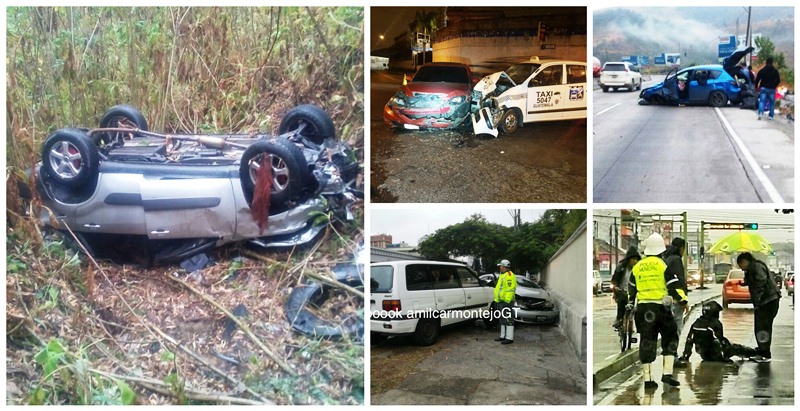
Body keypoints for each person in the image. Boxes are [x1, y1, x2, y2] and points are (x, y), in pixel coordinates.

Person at [629, 233, 688, 390]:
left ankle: (648, 379)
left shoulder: (637, 267)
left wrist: (630, 305)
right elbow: (673, 286)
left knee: (646, 342)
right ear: (662, 250)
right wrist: (683, 300)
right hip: (661, 308)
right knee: (670, 337)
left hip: (643, 310)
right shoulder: (663, 265)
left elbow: (631, 290)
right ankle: (667, 374)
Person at [678, 301, 757, 363]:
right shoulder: (716, 323)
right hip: (715, 353)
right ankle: (754, 353)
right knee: (736, 348)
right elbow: (720, 340)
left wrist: (686, 356)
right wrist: (723, 356)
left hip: (703, 353)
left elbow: (689, 339)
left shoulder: (696, 323)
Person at [737, 252, 780, 362]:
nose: (741, 268)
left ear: (744, 261)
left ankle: (765, 354)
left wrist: (758, 300)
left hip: (767, 301)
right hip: (767, 300)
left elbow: (760, 282)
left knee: (762, 327)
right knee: (762, 327)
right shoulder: (753, 268)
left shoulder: (756, 266)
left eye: (740, 265)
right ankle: (762, 349)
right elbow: (754, 281)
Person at [611, 246, 641, 329]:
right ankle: (619, 319)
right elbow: (615, 279)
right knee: (621, 303)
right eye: (633, 259)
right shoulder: (621, 267)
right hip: (622, 291)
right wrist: (615, 287)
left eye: (636, 259)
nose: (635, 261)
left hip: (634, 292)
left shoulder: (639, 268)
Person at [493, 259, 517, 345]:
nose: (500, 267)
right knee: (502, 319)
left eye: (500, 266)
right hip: (501, 301)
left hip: (507, 302)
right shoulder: (503, 275)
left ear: (503, 267)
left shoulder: (509, 276)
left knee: (508, 319)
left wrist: (507, 302)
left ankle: (509, 338)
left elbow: (510, 290)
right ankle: (502, 336)